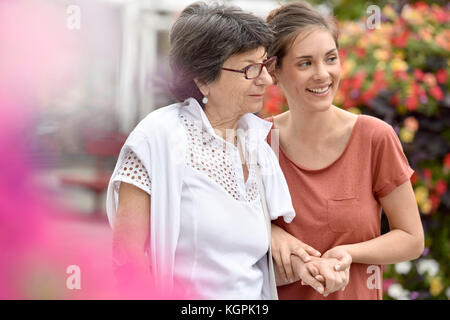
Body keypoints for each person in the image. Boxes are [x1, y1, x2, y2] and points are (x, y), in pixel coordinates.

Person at [106, 1, 307, 300]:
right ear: (202, 79)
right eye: (250, 69)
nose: (266, 79)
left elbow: (244, 265)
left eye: (265, 65)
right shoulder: (158, 138)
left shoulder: (257, 142)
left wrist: (311, 265)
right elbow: (127, 256)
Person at [265, 1, 425, 299]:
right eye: (305, 63)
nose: (323, 74)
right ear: (274, 70)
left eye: (330, 58)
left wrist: (347, 253)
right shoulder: (257, 142)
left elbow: (411, 239)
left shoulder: (374, 138)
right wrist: (271, 234)